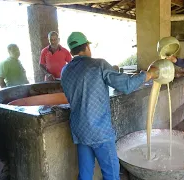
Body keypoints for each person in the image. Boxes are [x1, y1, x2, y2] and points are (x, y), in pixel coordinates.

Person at [60, 32, 159, 180]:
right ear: (87, 47)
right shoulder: (98, 65)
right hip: (99, 131)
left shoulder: (65, 71)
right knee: (111, 174)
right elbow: (126, 85)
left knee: (85, 174)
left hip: (79, 130)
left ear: (71, 51)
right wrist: (148, 74)